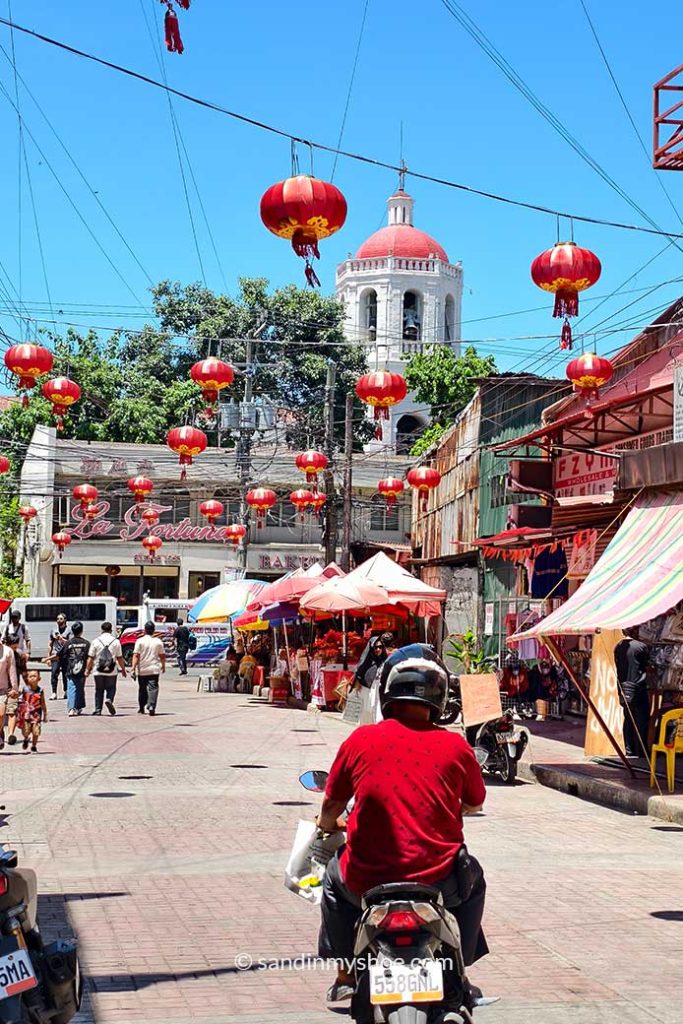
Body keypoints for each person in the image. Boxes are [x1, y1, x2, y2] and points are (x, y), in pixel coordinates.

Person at [317, 644, 488, 1009]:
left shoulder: (360, 739)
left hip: (366, 880)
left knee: (331, 879)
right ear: (438, 701)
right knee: (474, 880)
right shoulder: (456, 746)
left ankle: (345, 973)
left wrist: (326, 824)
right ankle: (461, 968)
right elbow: (475, 803)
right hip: (440, 880)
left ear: (388, 694)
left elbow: (331, 804)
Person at [614, 628, 650, 757]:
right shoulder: (641, 647)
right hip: (638, 687)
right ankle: (642, 750)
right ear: (635, 631)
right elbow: (647, 664)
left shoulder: (618, 647)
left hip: (623, 687)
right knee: (642, 719)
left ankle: (629, 749)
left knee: (628, 718)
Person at [86, 622, 126, 716]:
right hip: (111, 670)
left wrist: (87, 670)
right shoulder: (116, 641)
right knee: (111, 688)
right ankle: (109, 699)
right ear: (111, 630)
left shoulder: (96, 641)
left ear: (102, 630)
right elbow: (119, 657)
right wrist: (123, 669)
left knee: (99, 690)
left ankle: (98, 709)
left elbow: (90, 657)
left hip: (98, 670)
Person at [132, 621, 166, 716]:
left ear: (145, 630)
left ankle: (141, 708)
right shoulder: (158, 642)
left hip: (142, 670)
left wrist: (133, 668)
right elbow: (162, 656)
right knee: (153, 688)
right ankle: (151, 706)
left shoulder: (140, 641)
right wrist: (163, 666)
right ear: (153, 631)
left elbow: (136, 655)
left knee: (142, 689)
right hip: (154, 669)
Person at [17, 669, 48, 753]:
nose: (32, 678)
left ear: (39, 679)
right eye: (30, 676)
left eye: (34, 676)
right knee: (26, 731)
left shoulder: (40, 691)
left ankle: (34, 745)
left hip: (36, 715)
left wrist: (45, 714)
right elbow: (21, 700)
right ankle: (26, 738)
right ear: (27, 678)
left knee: (36, 732)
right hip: (26, 715)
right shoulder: (25, 689)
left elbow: (43, 703)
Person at [64, 621, 90, 717]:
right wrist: (88, 669)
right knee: (80, 688)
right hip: (82, 669)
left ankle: (72, 708)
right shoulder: (86, 643)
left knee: (71, 688)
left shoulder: (68, 643)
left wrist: (48, 659)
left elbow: (62, 654)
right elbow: (89, 657)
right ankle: (78, 707)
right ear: (81, 631)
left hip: (71, 669)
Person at [47, 613, 71, 700]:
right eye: (57, 619)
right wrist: (48, 657)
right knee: (54, 673)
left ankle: (66, 691)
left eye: (61, 619)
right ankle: (54, 692)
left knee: (65, 674)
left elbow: (71, 643)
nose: (58, 621)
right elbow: (50, 644)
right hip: (55, 655)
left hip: (65, 655)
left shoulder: (69, 630)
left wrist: (62, 639)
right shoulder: (53, 630)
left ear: (65, 620)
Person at [0, 636, 18, 750]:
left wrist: (14, 688)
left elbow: (12, 671)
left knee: (1, 715)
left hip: (2, 689)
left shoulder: (7, 651)